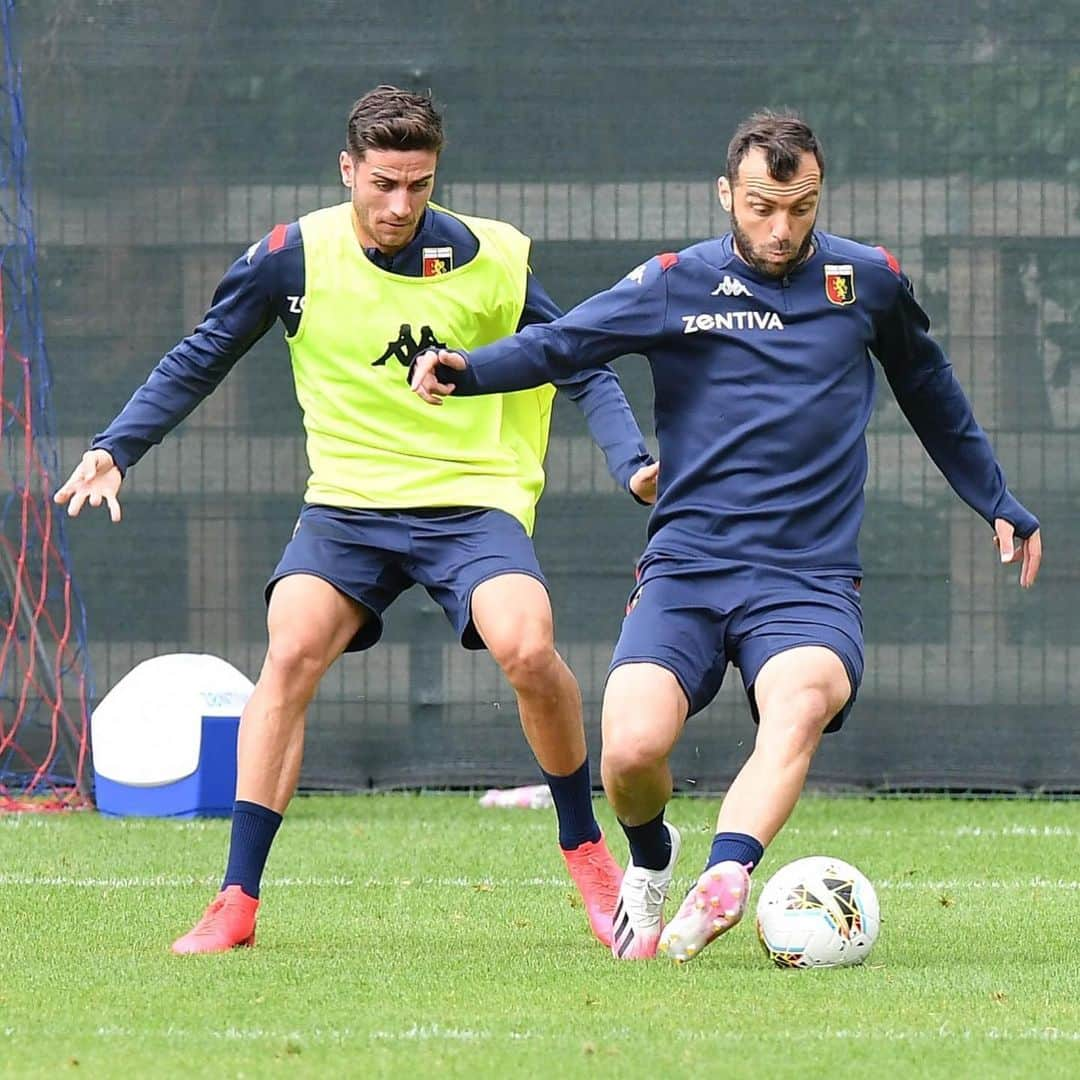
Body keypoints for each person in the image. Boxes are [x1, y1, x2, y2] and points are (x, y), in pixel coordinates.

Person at [410, 110, 1043, 962]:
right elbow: (566, 343)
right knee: (630, 754)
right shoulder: (675, 283)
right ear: (726, 196)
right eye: (760, 208)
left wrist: (994, 496)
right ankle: (653, 855)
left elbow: (930, 388)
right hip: (687, 571)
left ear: (818, 196)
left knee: (801, 702)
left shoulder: (868, 282)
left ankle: (728, 877)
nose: (781, 228)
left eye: (800, 206)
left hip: (808, 580)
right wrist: (471, 368)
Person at [54, 85, 658, 955]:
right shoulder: (292, 257)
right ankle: (235, 900)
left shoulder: (490, 257)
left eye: (418, 184)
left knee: (527, 646)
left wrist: (633, 464)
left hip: (471, 498)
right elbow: (202, 353)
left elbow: (582, 363)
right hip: (347, 506)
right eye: (382, 183)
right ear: (348, 171)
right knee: (290, 649)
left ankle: (585, 847)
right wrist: (118, 447)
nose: (399, 205)